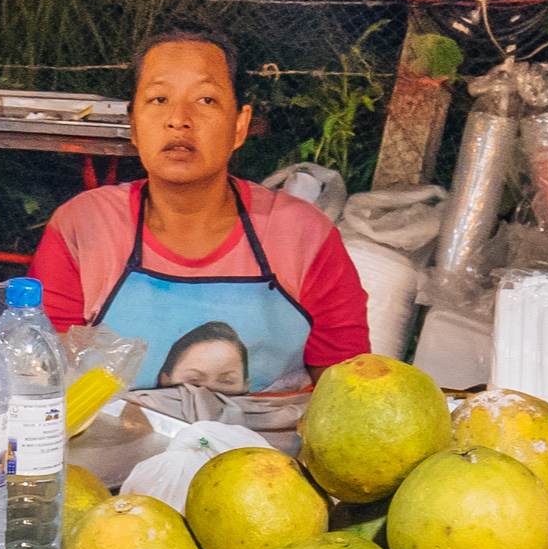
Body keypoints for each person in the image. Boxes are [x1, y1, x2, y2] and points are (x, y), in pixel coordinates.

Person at [29, 27, 369, 391]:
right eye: (159, 99)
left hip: (266, 446)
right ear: (133, 125)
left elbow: (348, 386)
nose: (179, 119)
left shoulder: (303, 235)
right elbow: (42, 376)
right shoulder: (83, 227)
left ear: (239, 125)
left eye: (206, 100)